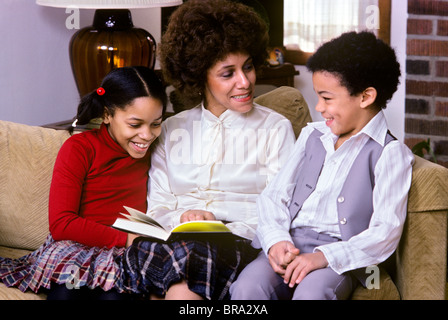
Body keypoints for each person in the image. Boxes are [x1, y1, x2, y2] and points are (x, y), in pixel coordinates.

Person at [117, 0, 296, 300]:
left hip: (236, 243)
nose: (245, 81)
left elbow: (281, 209)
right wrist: (183, 218)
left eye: (248, 66)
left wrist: (215, 217)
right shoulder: (172, 129)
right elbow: (157, 206)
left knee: (182, 279)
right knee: (163, 261)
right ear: (200, 77)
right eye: (228, 73)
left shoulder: (275, 129)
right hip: (174, 242)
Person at [230, 31, 415, 300]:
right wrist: (276, 240)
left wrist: (323, 257)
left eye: (327, 98)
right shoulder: (312, 135)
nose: (319, 107)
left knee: (312, 295)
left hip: (337, 256)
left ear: (365, 97)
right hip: (290, 243)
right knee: (247, 289)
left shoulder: (390, 154)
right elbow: (274, 196)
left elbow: (385, 232)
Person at [0, 66, 167, 300]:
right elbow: (62, 223)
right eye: (135, 124)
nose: (147, 135)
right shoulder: (79, 148)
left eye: (156, 123)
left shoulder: (160, 151)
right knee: (66, 293)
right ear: (108, 115)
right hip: (76, 246)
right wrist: (127, 239)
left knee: (114, 297)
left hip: (124, 254)